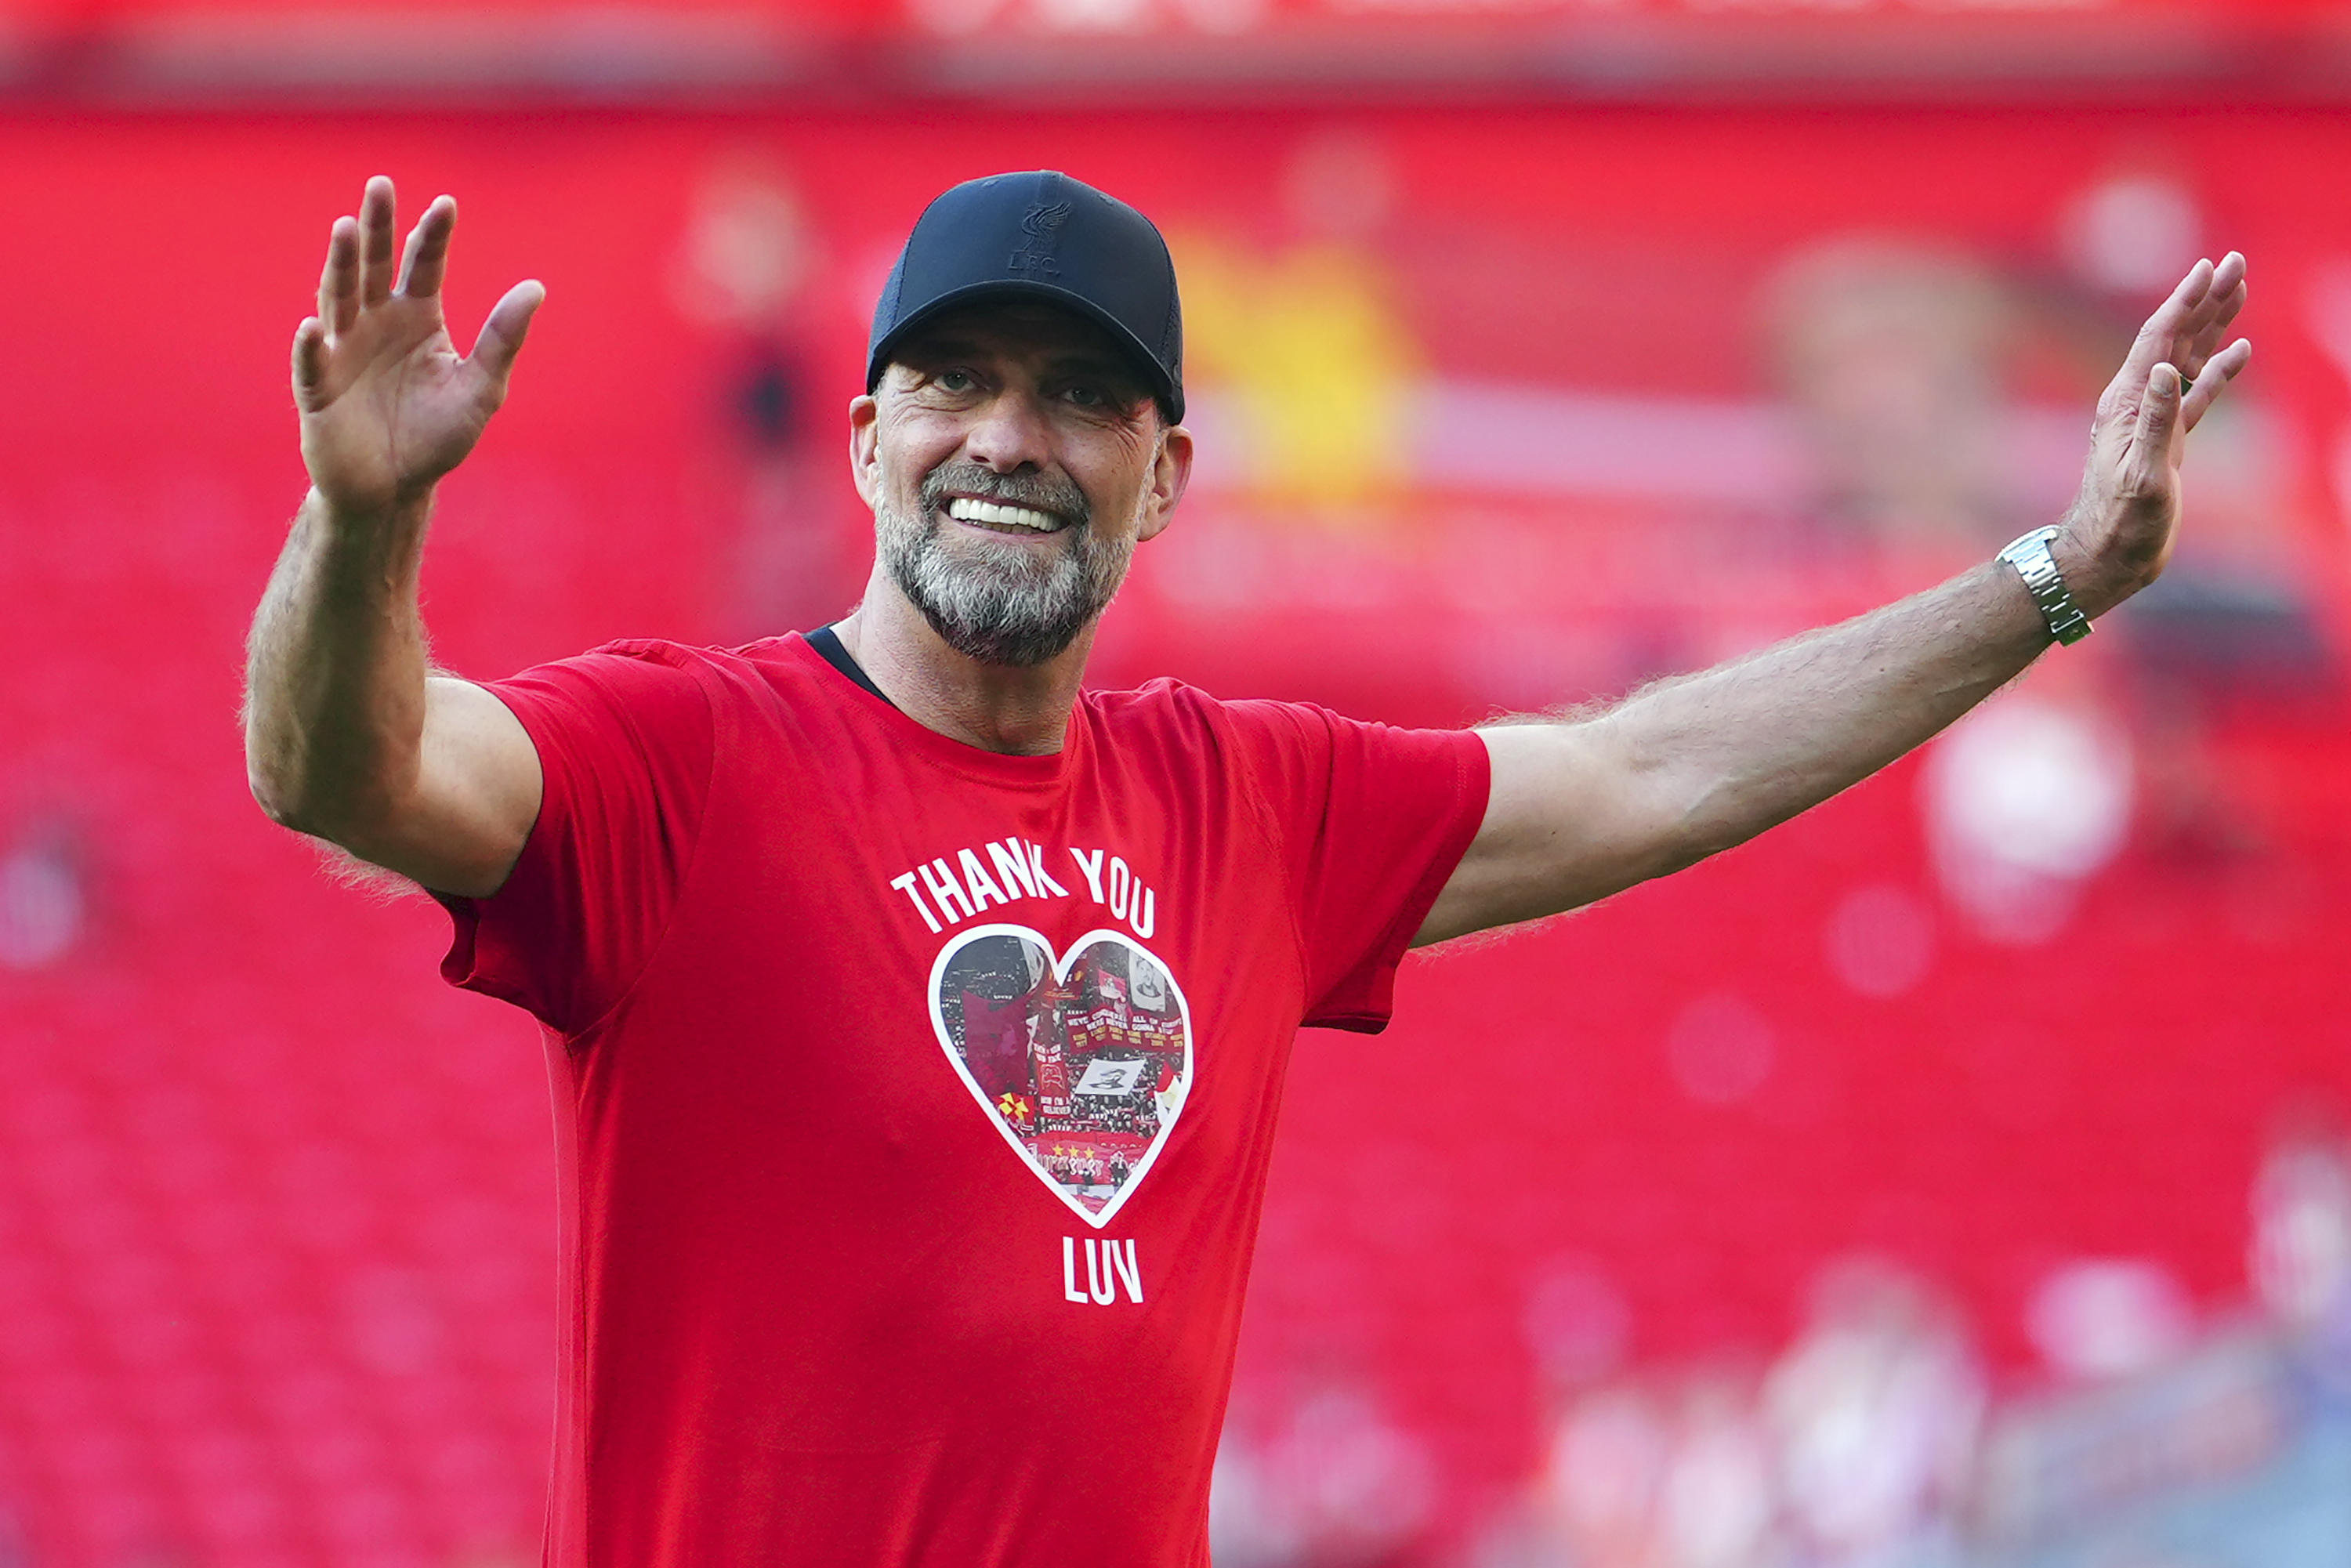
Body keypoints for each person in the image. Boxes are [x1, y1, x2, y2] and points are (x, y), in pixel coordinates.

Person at [241, 169, 2249, 1565]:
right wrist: (357, 527)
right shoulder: (685, 756)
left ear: (1169, 472)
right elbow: (355, 765)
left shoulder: (1242, 801)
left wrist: (2053, 575)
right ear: (866, 436)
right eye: (960, 382)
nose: (1012, 438)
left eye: (1085, 394)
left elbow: (1644, 766)